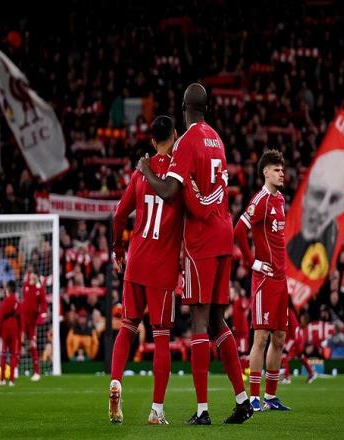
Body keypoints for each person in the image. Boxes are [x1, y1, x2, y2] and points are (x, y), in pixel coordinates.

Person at [137, 84, 252, 425]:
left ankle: (202, 410)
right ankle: (243, 401)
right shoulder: (217, 139)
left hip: (201, 240)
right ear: (206, 108)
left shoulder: (187, 141)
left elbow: (170, 192)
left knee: (199, 322)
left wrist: (146, 171)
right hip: (224, 232)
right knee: (218, 320)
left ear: (184, 107)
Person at [109, 115, 224, 425]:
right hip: (161, 269)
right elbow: (196, 210)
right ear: (176, 135)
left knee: (127, 327)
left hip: (135, 261)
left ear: (151, 141)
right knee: (161, 337)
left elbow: (118, 216)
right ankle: (156, 410)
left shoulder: (139, 173)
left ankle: (115, 381)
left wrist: (118, 251)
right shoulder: (179, 174)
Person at [234, 149, 291, 411]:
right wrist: (252, 262)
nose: (282, 173)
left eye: (282, 169)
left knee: (279, 338)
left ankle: (270, 397)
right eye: (277, 170)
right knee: (261, 338)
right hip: (265, 279)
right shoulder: (261, 200)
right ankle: (254, 398)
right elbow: (238, 230)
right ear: (265, 172)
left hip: (281, 279)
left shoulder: (280, 200)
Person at [287, 150, 344, 279]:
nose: (322, 209)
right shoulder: (287, 242)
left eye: (334, 199)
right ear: (305, 193)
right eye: (318, 194)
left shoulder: (337, 244)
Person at [21, 268, 48, 382]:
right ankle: (14, 370)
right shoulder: (26, 286)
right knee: (18, 342)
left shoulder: (40, 289)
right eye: (31, 275)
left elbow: (44, 306)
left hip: (32, 323)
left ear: (37, 276)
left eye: (34, 275)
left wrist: (41, 317)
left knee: (33, 346)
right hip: (23, 321)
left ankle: (37, 372)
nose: (32, 276)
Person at [0, 280, 21, 386]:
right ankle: (11, 380)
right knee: (13, 355)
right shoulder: (17, 302)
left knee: (3, 354)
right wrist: (20, 333)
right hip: (14, 329)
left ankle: (2, 380)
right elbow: (20, 318)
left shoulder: (5, 302)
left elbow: (0, 318)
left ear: (8, 289)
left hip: (5, 330)